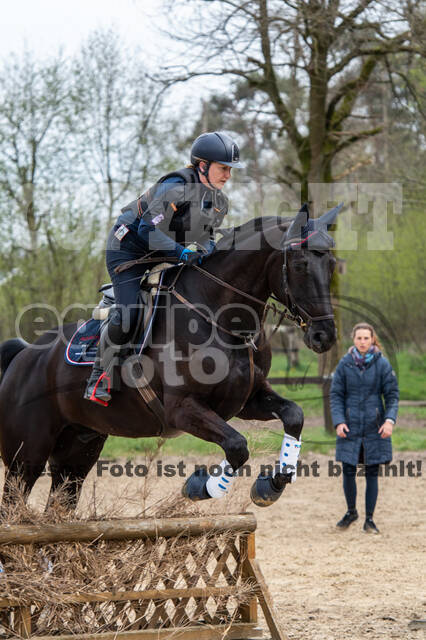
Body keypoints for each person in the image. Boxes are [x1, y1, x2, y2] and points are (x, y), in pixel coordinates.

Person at [84, 131, 245, 404]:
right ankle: (100, 376)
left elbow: (205, 236)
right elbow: (148, 230)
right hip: (129, 251)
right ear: (202, 165)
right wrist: (183, 253)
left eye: (230, 169)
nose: (227, 175)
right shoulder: (175, 187)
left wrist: (206, 250)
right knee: (129, 314)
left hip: (166, 253)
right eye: (223, 168)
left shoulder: (219, 202)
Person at [330, 322, 399, 533]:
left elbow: (392, 396)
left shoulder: (383, 364)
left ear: (372, 339)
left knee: (372, 473)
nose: (362, 342)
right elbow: (336, 395)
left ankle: (369, 519)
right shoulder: (344, 364)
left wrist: (389, 421)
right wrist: (339, 421)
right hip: (349, 427)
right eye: (359, 338)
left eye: (366, 338)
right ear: (354, 340)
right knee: (348, 471)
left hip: (374, 428)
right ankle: (351, 511)